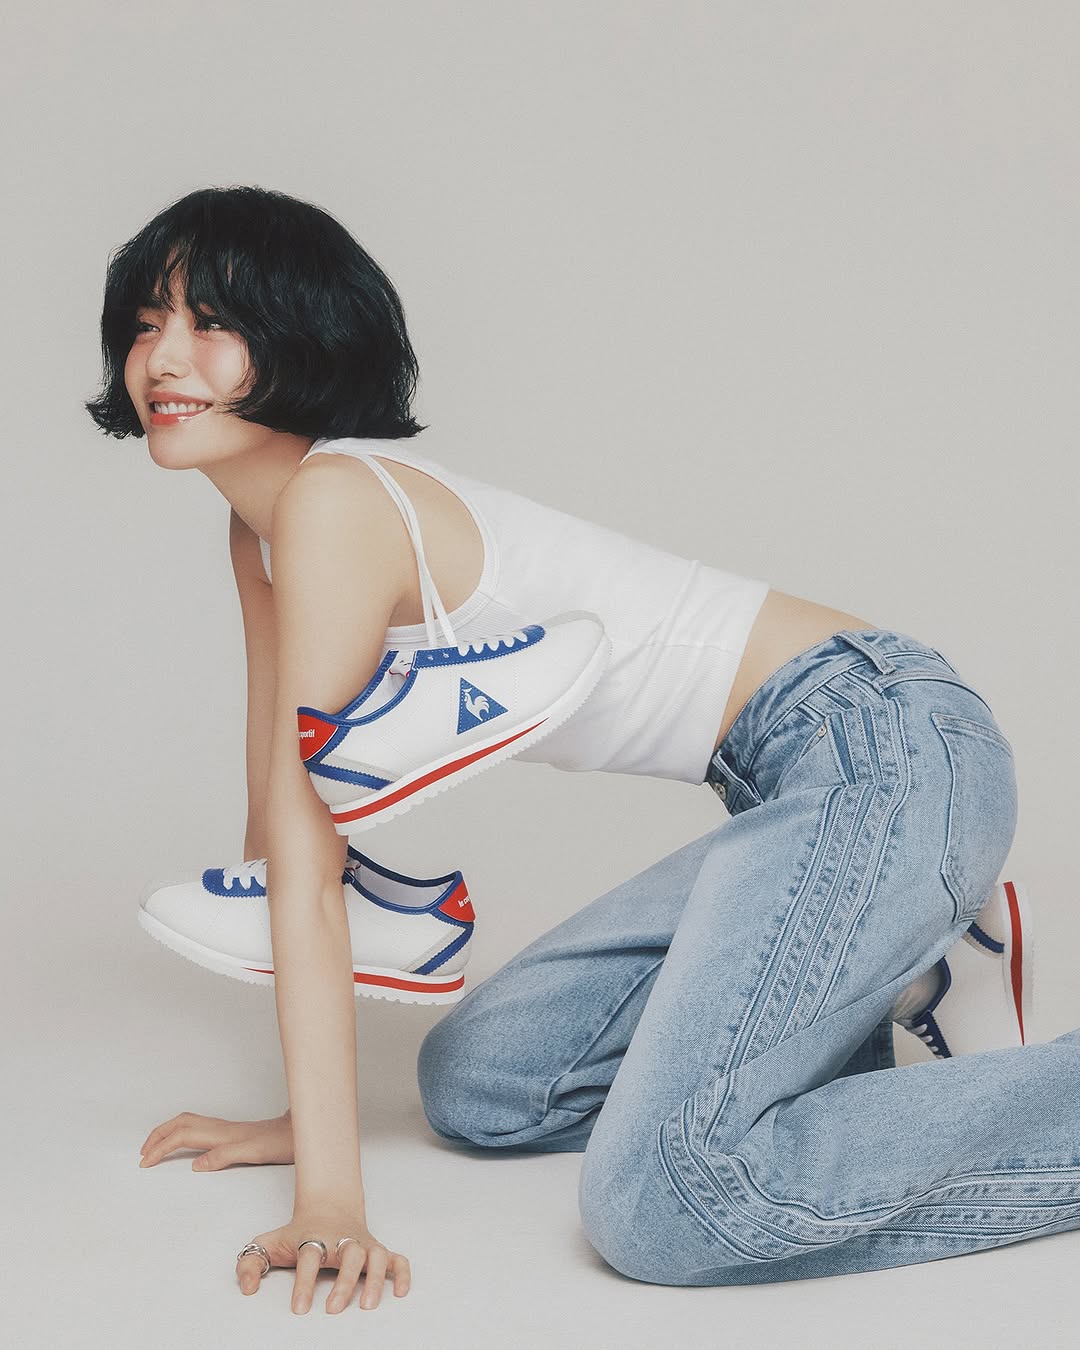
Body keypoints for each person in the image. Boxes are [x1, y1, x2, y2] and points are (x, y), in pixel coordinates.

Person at [89, 186, 1058, 1315]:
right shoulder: (260, 531)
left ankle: (917, 948)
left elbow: (310, 869)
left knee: (670, 1202)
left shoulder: (333, 503)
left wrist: (332, 1200)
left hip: (881, 741)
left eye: (211, 322)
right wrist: (311, 1125)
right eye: (147, 324)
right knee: (480, 1087)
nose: (165, 357)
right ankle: (917, 960)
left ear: (302, 331)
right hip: (790, 792)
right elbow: (284, 846)